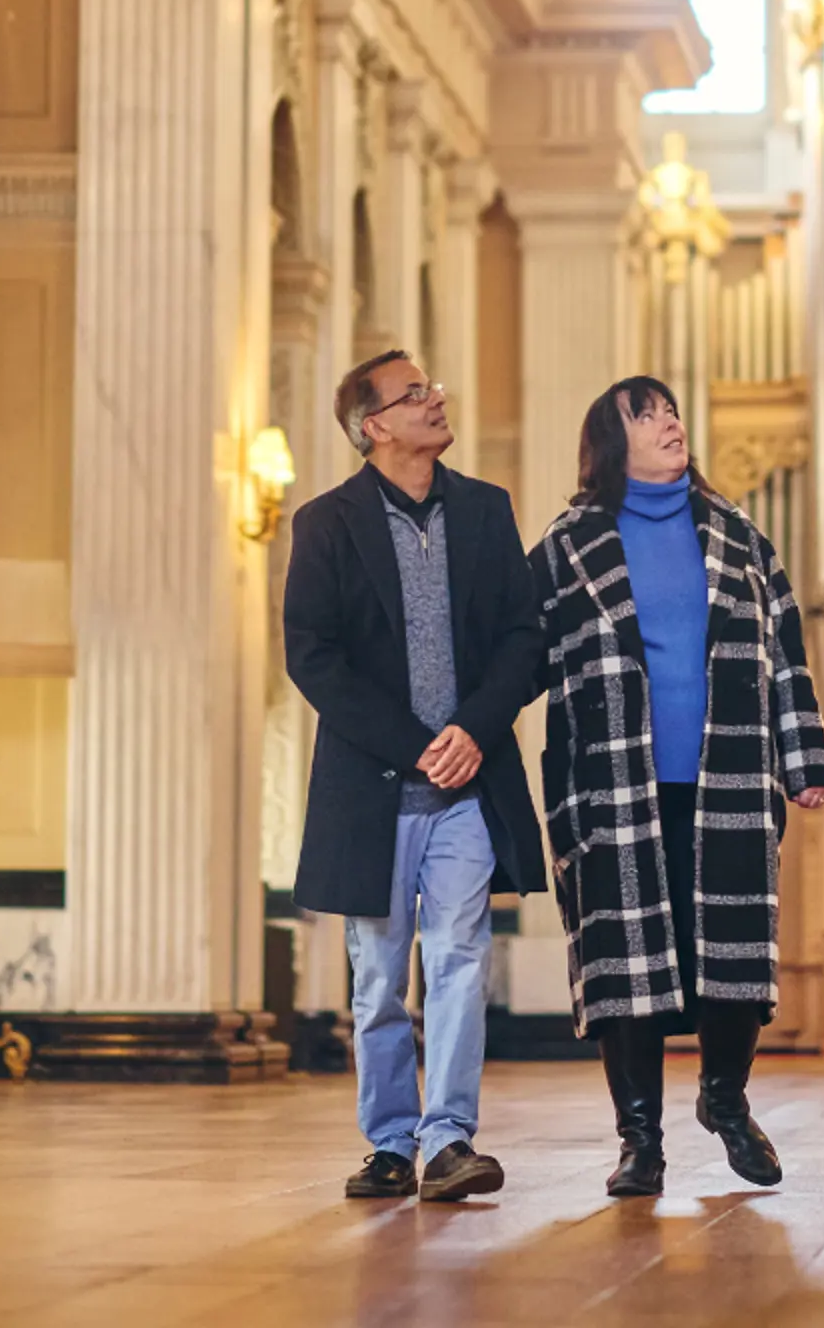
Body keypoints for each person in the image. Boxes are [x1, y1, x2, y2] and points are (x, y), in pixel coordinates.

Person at [535, 377, 824, 1199]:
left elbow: (786, 654)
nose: (669, 421)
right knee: (625, 963)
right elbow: (520, 653)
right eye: (647, 414)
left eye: (671, 409)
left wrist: (803, 759)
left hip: (727, 779)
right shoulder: (568, 544)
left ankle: (725, 1101)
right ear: (612, 442)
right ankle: (640, 1142)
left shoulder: (739, 536)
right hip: (613, 786)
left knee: (730, 955)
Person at [282, 351, 550, 1204]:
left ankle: (449, 1140)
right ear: (375, 426)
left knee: (462, 960)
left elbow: (524, 636)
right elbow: (313, 658)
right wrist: (415, 746)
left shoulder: (484, 510)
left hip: (470, 787)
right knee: (378, 981)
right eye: (415, 394)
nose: (437, 400)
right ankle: (390, 1142)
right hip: (373, 794)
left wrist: (474, 730)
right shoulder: (326, 524)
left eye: (432, 388)